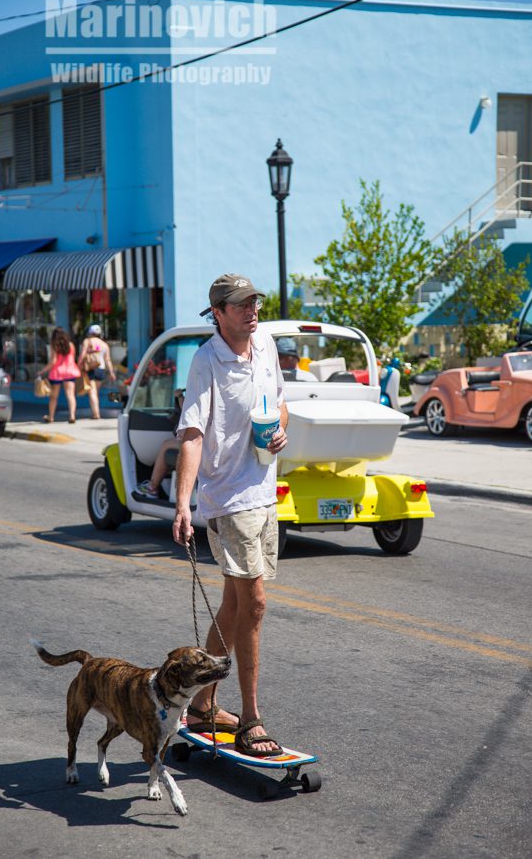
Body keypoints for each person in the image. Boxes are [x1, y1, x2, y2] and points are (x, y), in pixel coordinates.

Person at [172, 273, 289, 757]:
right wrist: (182, 502)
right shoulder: (206, 361)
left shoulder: (266, 345)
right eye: (241, 304)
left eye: (254, 302)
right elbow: (193, 432)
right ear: (218, 312)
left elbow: (281, 404)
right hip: (229, 498)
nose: (251, 310)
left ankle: (201, 703)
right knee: (255, 603)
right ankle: (252, 717)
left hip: (264, 490)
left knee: (236, 606)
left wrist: (280, 430)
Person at [137, 389, 185, 498]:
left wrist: (180, 396)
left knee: (166, 445)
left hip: (200, 445)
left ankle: (152, 488)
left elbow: (188, 409)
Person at [37, 327, 81, 423]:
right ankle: (72, 416)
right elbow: (72, 359)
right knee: (70, 395)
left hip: (57, 373)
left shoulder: (54, 346)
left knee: (54, 396)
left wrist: (42, 371)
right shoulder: (71, 345)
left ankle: (51, 417)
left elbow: (53, 362)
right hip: (70, 371)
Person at [77, 324, 116, 420]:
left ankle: (96, 414)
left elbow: (82, 355)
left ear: (90, 333)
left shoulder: (87, 341)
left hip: (91, 368)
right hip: (101, 369)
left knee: (92, 393)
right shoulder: (105, 345)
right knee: (95, 392)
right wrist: (111, 372)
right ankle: (96, 412)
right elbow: (108, 360)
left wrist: (77, 366)